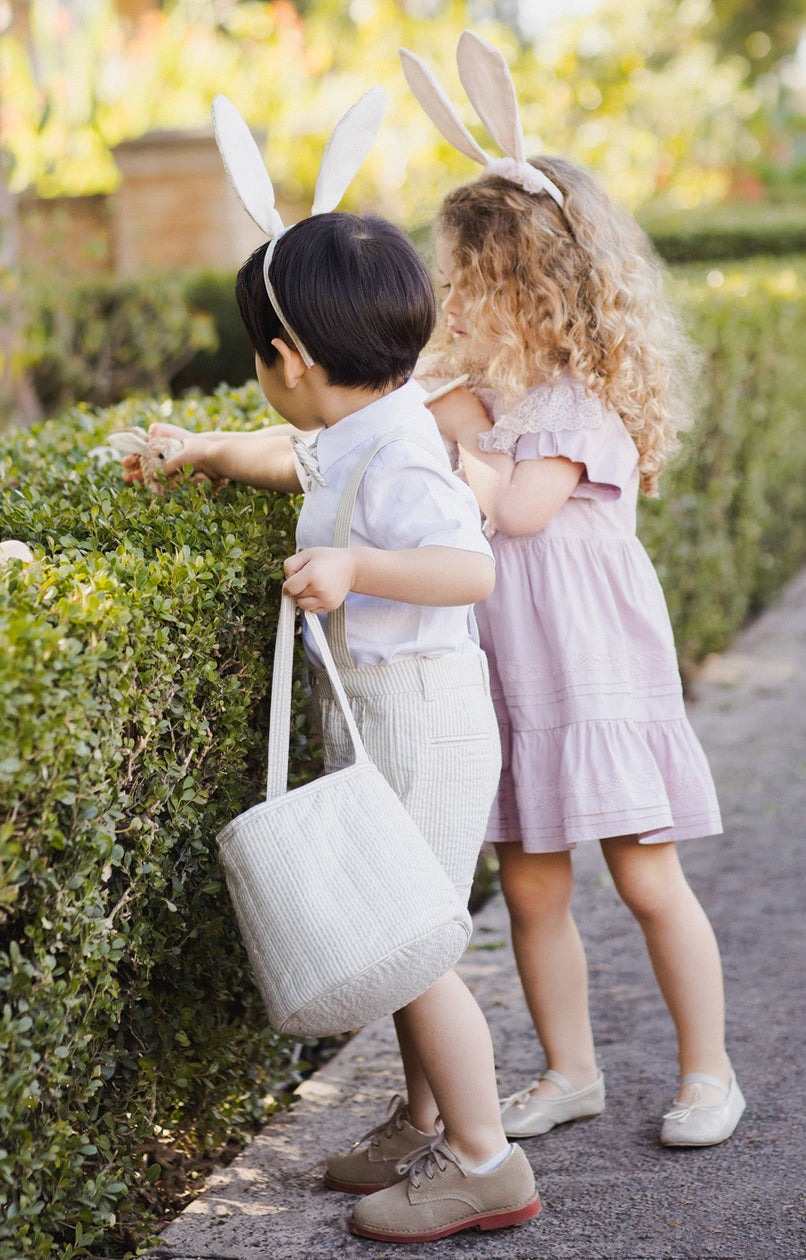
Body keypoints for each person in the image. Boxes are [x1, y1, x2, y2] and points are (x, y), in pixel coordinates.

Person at [123, 211, 541, 1242]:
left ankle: (486, 1164)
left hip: (423, 723)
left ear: (291, 359)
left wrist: (358, 570)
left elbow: (471, 569)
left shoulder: (402, 457)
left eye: (256, 359)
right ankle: (425, 1123)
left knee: (417, 944)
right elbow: (298, 456)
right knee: (405, 932)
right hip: (392, 717)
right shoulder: (366, 427)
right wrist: (208, 451)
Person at [415, 146, 745, 1149]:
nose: (455, 303)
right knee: (530, 885)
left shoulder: (573, 407)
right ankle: (570, 1070)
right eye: (451, 284)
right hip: (518, 680)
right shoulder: (490, 402)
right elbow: (386, 430)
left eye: (472, 284)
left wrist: (455, 443)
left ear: (537, 293)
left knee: (647, 877)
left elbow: (517, 510)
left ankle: (710, 1072)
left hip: (595, 674)